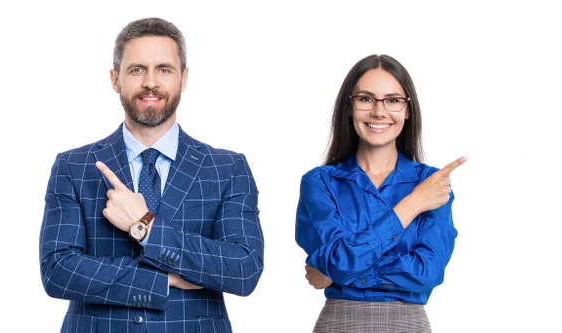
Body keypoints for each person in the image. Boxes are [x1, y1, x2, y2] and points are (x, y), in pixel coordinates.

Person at [39, 17, 264, 333]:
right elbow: (57, 270)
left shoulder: (226, 169)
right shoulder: (75, 166)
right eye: (136, 70)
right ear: (115, 80)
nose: (150, 82)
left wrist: (144, 226)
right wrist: (160, 280)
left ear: (183, 78)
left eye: (164, 69)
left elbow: (242, 269)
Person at [295, 54, 465, 332]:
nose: (379, 111)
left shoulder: (432, 183)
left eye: (393, 100)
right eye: (366, 99)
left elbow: (427, 272)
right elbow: (337, 262)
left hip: (407, 324)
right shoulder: (320, 182)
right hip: (340, 323)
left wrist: (339, 272)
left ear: (408, 110)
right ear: (349, 107)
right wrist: (410, 205)